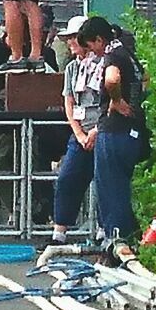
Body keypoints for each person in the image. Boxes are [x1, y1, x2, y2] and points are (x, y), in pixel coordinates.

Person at [76, 16, 149, 249]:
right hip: (134, 132)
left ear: (99, 39)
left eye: (91, 46)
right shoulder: (129, 53)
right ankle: (131, 240)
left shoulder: (112, 56)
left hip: (115, 131)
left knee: (109, 188)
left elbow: (112, 79)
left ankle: (116, 241)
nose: (92, 53)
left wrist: (116, 100)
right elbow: (145, 80)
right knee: (122, 187)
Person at [50, 15, 100, 246]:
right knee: (67, 178)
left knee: (103, 181)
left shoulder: (104, 63)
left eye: (73, 38)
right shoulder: (72, 68)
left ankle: (104, 230)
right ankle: (60, 232)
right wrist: (79, 133)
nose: (70, 42)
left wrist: (96, 131)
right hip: (79, 132)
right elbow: (69, 102)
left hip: (102, 131)